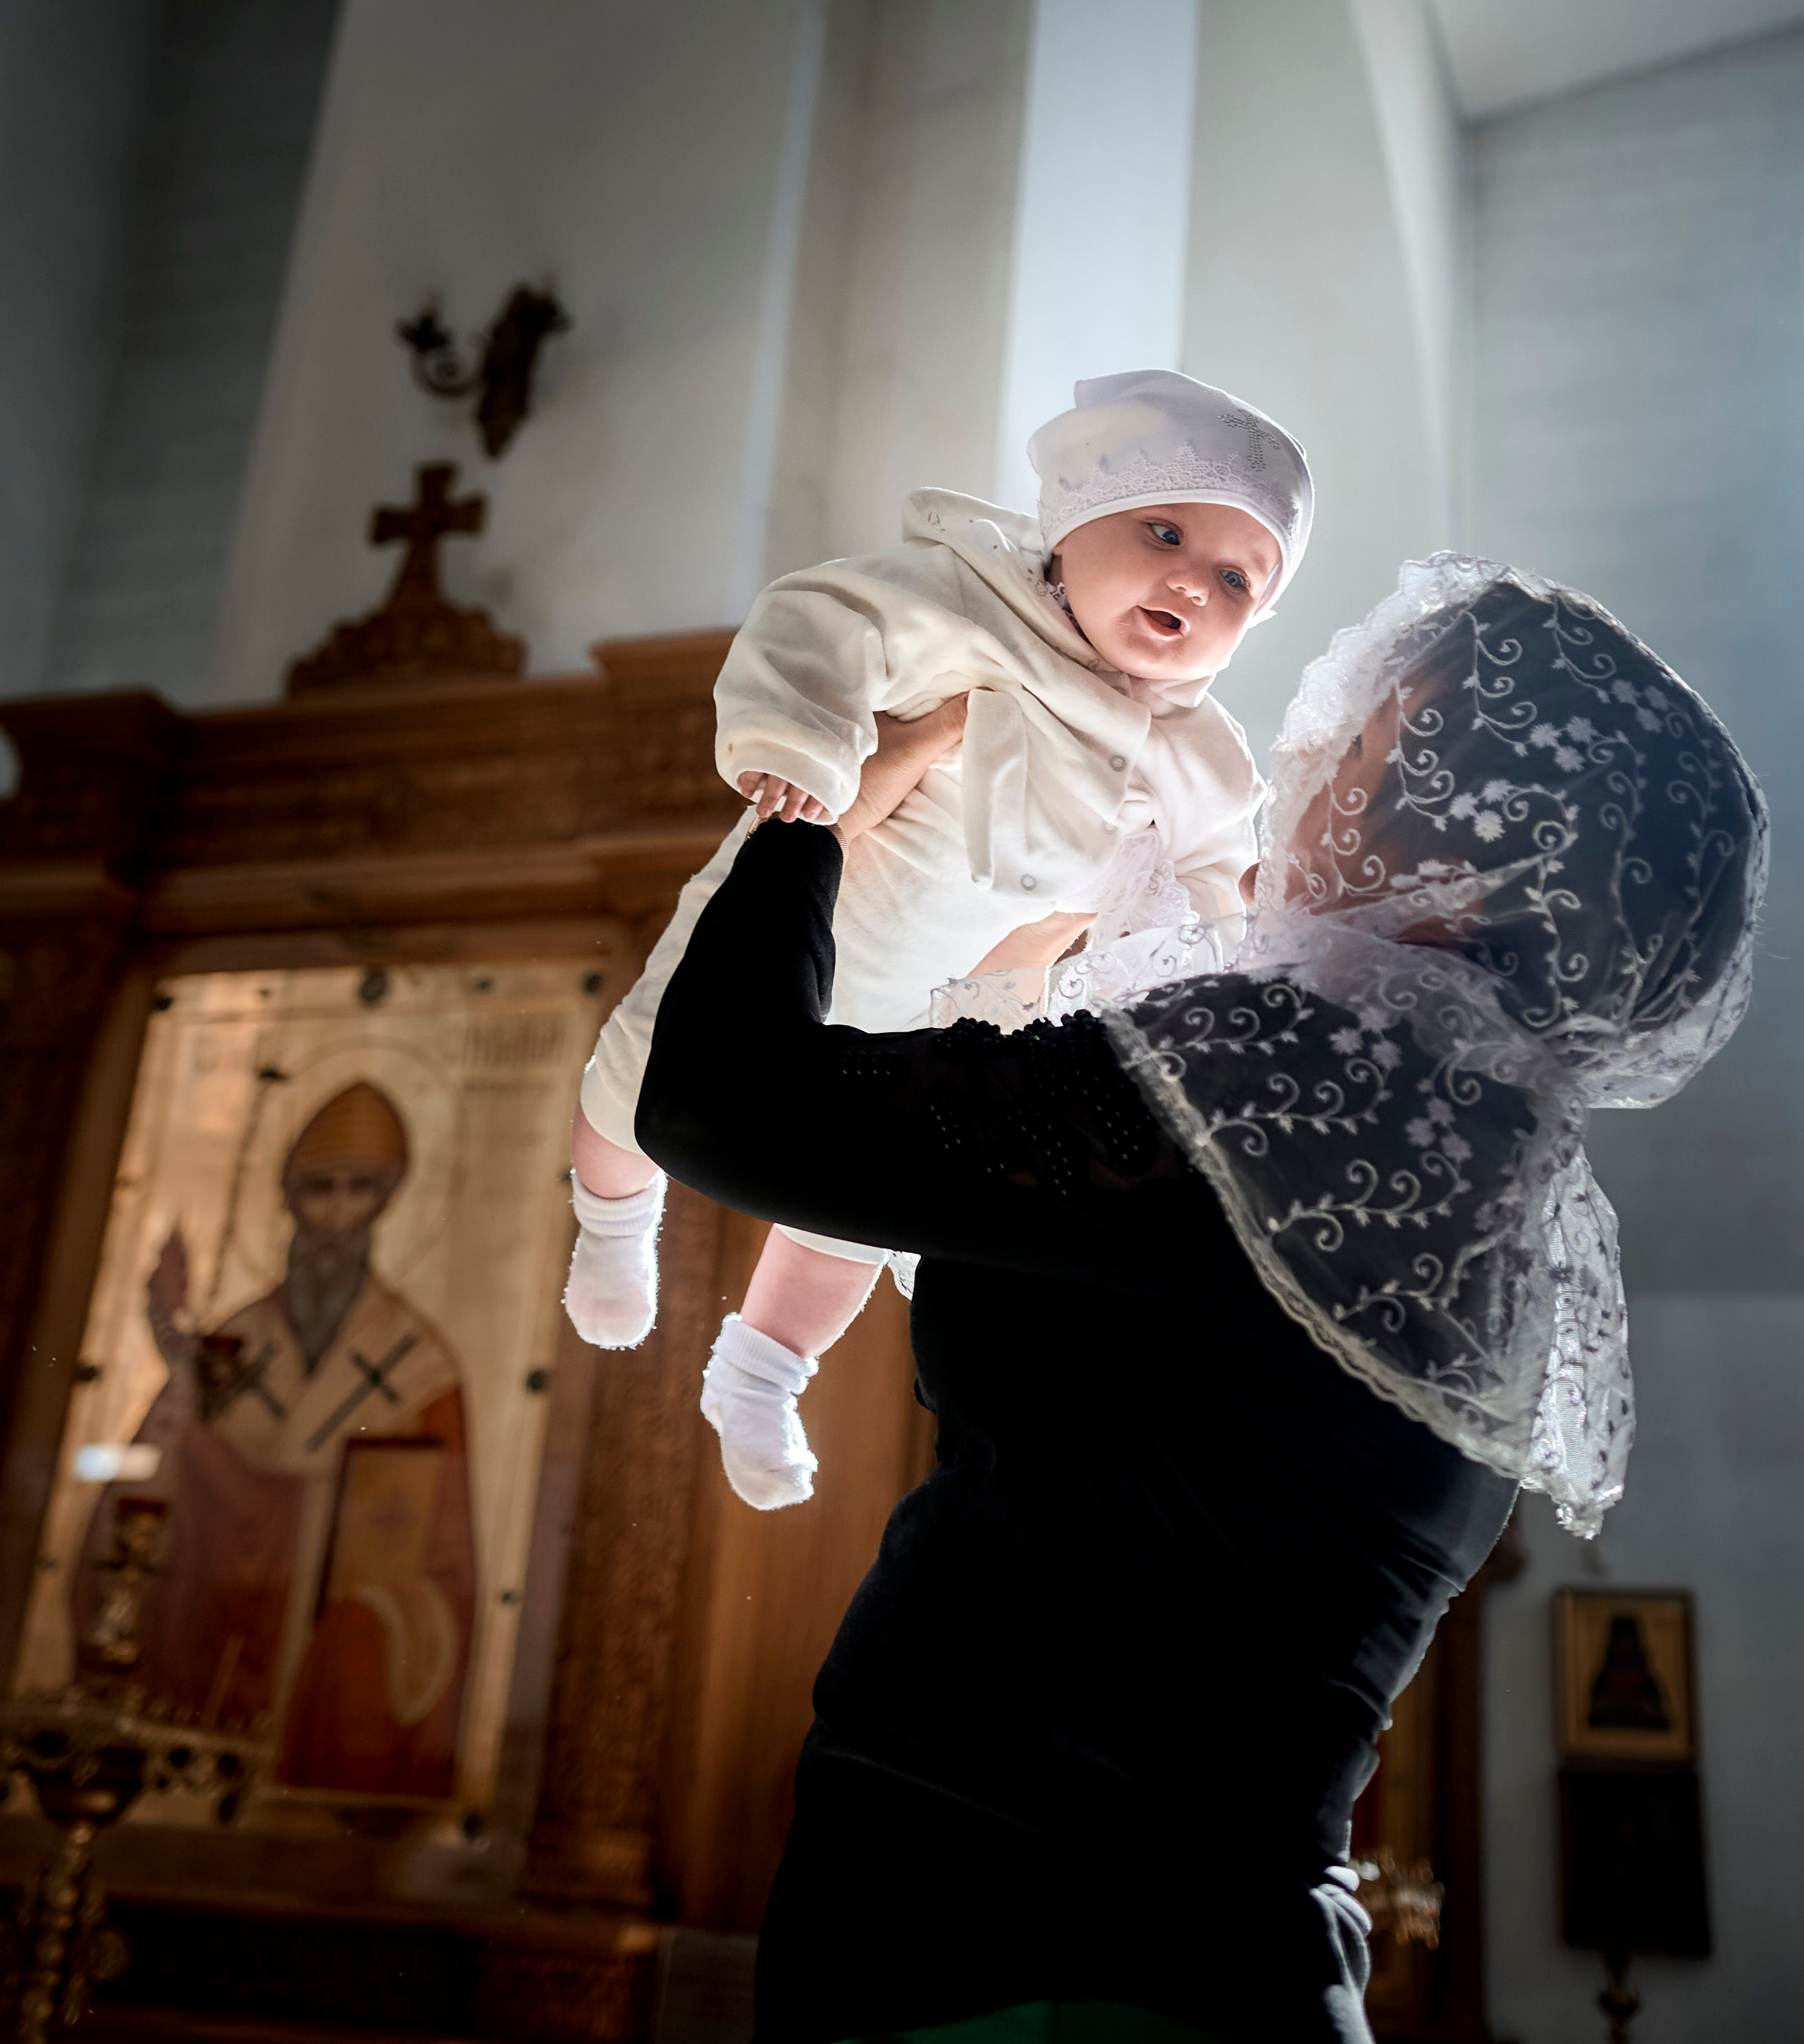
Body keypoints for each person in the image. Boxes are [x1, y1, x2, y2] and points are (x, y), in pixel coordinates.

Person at [631, 555, 1765, 2043]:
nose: (1307, 763)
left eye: (1365, 740)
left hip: (1035, 1961)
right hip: (1159, 1951)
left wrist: (830, 791)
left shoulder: (1305, 1084)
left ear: (1462, 834)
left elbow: (721, 1099)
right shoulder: (1465, 1152)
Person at [568, 370, 1314, 1511]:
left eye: (1236, 579)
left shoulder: (1195, 744)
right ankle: (612, 1225)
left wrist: (1257, 929)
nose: (1191, 583)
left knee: (862, 1199)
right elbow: (819, 627)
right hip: (821, 902)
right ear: (1072, 525)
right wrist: (801, 749)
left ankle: (763, 1372)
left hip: (949, 1005)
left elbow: (1223, 876)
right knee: (643, 1074)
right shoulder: (968, 607)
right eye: (1165, 533)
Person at [83, 1082, 477, 1796]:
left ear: (387, 1201)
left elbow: (449, 1572)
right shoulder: (232, 1345)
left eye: (361, 1189)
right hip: (205, 1647)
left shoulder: (422, 1369)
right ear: (290, 1199)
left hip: (319, 1653)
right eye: (319, 1189)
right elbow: (139, 1496)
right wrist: (182, 1403)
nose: (337, 1216)